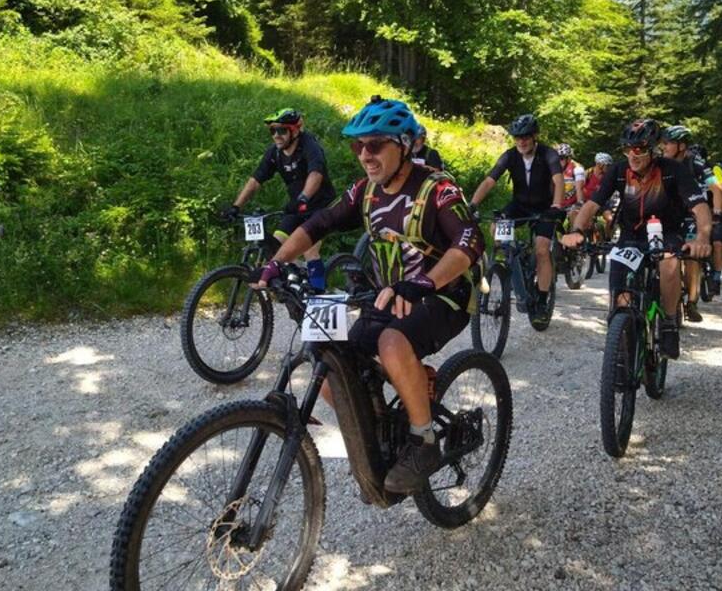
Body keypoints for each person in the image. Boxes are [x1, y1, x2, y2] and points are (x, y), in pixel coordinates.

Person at [256, 96, 483, 494]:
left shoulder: (437, 188)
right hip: (389, 297)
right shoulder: (366, 191)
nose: (365, 155)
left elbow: (469, 241)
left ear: (404, 144)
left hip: (444, 295)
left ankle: (424, 441)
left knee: (392, 342)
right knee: (331, 360)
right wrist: (276, 263)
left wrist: (424, 283)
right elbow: (319, 223)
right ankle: (379, 430)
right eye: (357, 146)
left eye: (375, 144)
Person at [563, 119, 712, 359]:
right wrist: (577, 230)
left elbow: (700, 206)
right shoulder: (619, 171)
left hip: (666, 233)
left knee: (669, 264)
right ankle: (621, 336)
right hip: (631, 235)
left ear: (653, 150)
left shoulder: (673, 170)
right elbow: (592, 204)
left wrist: (702, 237)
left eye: (640, 149)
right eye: (628, 148)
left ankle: (669, 323)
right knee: (621, 296)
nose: (633, 155)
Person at [222, 108, 336, 290]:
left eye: (282, 130)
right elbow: (255, 180)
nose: (276, 135)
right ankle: (294, 279)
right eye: (273, 131)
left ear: (295, 131)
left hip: (321, 206)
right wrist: (236, 206)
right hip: (296, 207)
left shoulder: (309, 146)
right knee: (275, 247)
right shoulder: (275, 153)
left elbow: (316, 174)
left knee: (309, 249)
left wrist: (304, 197)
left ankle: (318, 295)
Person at [470, 113, 564, 325]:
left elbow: (559, 181)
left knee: (542, 250)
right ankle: (511, 264)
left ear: (534, 136)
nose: (521, 141)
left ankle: (542, 299)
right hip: (519, 205)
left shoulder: (548, 154)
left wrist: (557, 206)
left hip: (545, 208)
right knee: (496, 229)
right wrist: (473, 204)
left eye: (526, 137)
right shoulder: (510, 156)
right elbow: (489, 180)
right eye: (517, 137)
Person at [661, 126, 722, 321]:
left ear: (681, 146)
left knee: (691, 256)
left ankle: (691, 302)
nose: (664, 147)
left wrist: (717, 212)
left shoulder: (696, 163)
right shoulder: (661, 164)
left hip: (693, 215)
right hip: (669, 215)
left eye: (668, 143)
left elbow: (716, 189)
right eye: (663, 143)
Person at [687, 143, 722, 297]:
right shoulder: (683, 171)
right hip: (691, 215)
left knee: (718, 243)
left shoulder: (712, 170)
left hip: (713, 212)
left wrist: (720, 211)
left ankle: (717, 277)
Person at [583, 152, 616, 238]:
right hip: (589, 202)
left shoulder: (608, 175)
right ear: (600, 165)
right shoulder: (588, 173)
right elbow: (580, 188)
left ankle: (608, 239)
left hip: (602, 202)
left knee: (610, 220)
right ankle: (587, 240)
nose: (609, 168)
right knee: (589, 224)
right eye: (607, 165)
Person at [556, 143, 585, 227]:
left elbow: (579, 189)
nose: (558, 161)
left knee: (574, 217)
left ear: (568, 158)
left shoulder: (577, 168)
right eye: (557, 158)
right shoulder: (554, 167)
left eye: (561, 158)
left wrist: (580, 204)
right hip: (560, 202)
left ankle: (575, 232)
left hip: (574, 202)